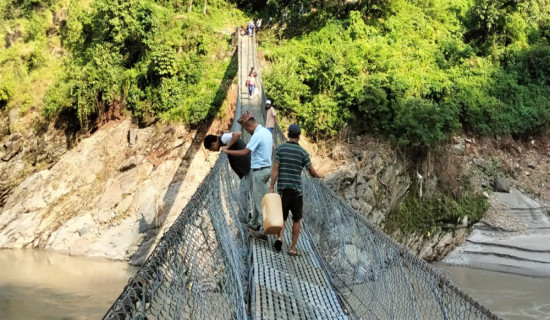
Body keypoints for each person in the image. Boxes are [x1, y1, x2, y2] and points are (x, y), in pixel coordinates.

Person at [269, 124, 323, 256]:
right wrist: (319, 175)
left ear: (288, 134)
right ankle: (293, 248)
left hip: (283, 189)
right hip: (297, 191)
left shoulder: (280, 149)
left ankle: (279, 238)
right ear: (299, 136)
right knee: (297, 219)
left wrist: (271, 186)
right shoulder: (303, 153)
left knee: (282, 216)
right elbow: (311, 172)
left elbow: (275, 170)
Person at [222, 111, 273, 241]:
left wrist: (228, 151)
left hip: (259, 172)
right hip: (266, 169)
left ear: (249, 125)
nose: (246, 131)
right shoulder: (267, 132)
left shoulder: (257, 135)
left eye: (246, 129)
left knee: (259, 201)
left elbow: (245, 152)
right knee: (257, 198)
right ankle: (254, 223)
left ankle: (263, 231)